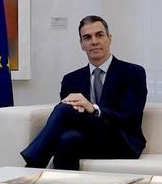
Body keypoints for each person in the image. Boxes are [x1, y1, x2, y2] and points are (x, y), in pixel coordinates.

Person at [20, 15, 147, 170]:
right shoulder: (71, 79)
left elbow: (129, 117)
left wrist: (93, 109)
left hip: (121, 141)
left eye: (99, 35)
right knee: (68, 138)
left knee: (63, 110)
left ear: (109, 38)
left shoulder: (133, 73)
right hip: (88, 140)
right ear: (82, 44)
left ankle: (32, 165)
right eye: (87, 37)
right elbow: (70, 122)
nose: (94, 41)